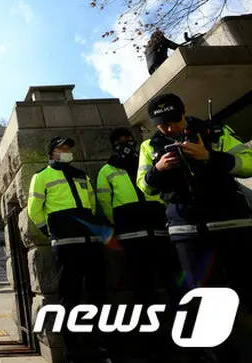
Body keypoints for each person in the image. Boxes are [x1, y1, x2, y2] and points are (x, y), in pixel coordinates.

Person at [136, 93, 252, 362]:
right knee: (202, 299)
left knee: (245, 290)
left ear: (184, 111)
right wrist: (159, 169)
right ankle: (218, 355)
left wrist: (209, 156)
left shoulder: (215, 131)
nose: (169, 128)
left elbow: (248, 163)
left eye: (173, 121)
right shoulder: (148, 147)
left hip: (232, 224)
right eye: (162, 124)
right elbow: (145, 186)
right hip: (186, 230)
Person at [97, 128, 183, 362]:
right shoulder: (107, 169)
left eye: (128, 139)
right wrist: (120, 222)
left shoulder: (147, 160)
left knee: (175, 285)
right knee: (143, 290)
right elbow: (104, 201)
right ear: (113, 145)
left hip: (160, 230)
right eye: (120, 141)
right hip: (132, 236)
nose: (126, 143)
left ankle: (189, 339)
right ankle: (152, 344)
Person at [28, 137, 112, 363]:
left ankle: (101, 346)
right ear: (51, 152)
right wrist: (53, 231)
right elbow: (34, 210)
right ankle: (72, 351)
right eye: (61, 148)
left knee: (98, 295)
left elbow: (92, 204)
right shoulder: (41, 176)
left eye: (68, 148)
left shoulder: (81, 175)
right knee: (70, 297)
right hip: (65, 245)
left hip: (91, 242)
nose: (66, 151)